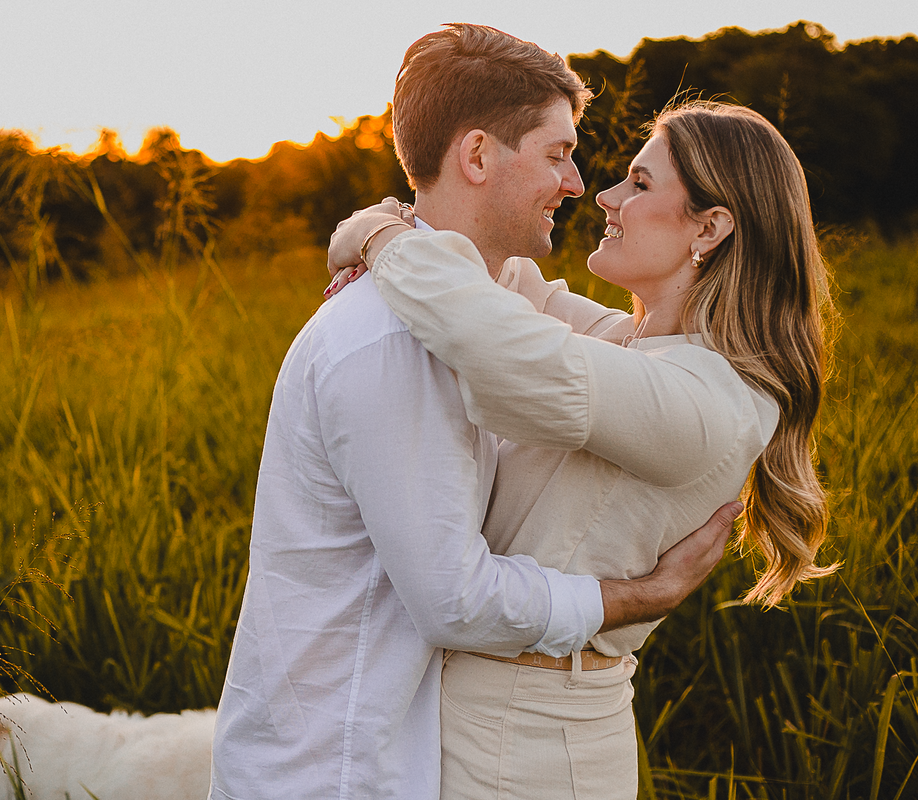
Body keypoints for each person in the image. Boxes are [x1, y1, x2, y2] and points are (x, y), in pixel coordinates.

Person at [208, 24, 743, 800]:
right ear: (479, 155)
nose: (577, 182)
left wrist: (379, 231)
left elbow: (601, 336)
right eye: (559, 152)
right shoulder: (397, 341)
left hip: (398, 752)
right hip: (336, 769)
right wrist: (631, 599)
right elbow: (453, 600)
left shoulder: (475, 318)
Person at [327, 100, 836, 797]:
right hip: (488, 712)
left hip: (531, 744)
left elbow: (492, 338)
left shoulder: (711, 398)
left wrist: (381, 237)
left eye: (640, 183)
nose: (605, 196)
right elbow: (503, 287)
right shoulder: (635, 346)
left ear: (710, 228)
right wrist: (374, 228)